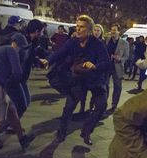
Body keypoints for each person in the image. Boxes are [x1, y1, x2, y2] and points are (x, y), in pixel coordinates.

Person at [42, 15, 109, 145]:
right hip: (78, 79)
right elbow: (59, 53)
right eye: (77, 26)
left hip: (95, 79)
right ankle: (61, 134)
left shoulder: (98, 44)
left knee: (101, 105)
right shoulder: (72, 42)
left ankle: (87, 131)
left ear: (89, 29)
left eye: (81, 27)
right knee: (69, 107)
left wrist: (95, 66)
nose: (77, 29)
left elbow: (106, 63)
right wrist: (48, 60)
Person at [105, 24, 129, 112]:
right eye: (112, 30)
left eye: (114, 30)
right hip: (107, 67)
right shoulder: (107, 40)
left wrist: (120, 59)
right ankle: (103, 104)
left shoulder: (124, 43)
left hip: (117, 67)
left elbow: (126, 56)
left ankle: (114, 105)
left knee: (117, 87)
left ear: (119, 32)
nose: (113, 32)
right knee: (105, 85)